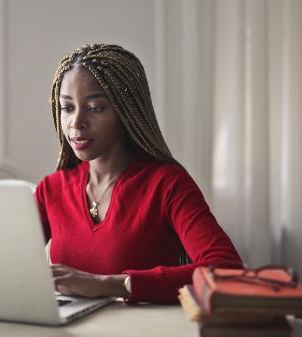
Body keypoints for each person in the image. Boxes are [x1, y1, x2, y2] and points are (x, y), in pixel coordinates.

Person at [34, 43, 242, 303]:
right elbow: (4, 268)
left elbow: (227, 270)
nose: (76, 123)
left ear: (126, 110)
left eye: (96, 107)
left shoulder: (167, 184)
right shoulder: (50, 190)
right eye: (67, 108)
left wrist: (108, 284)